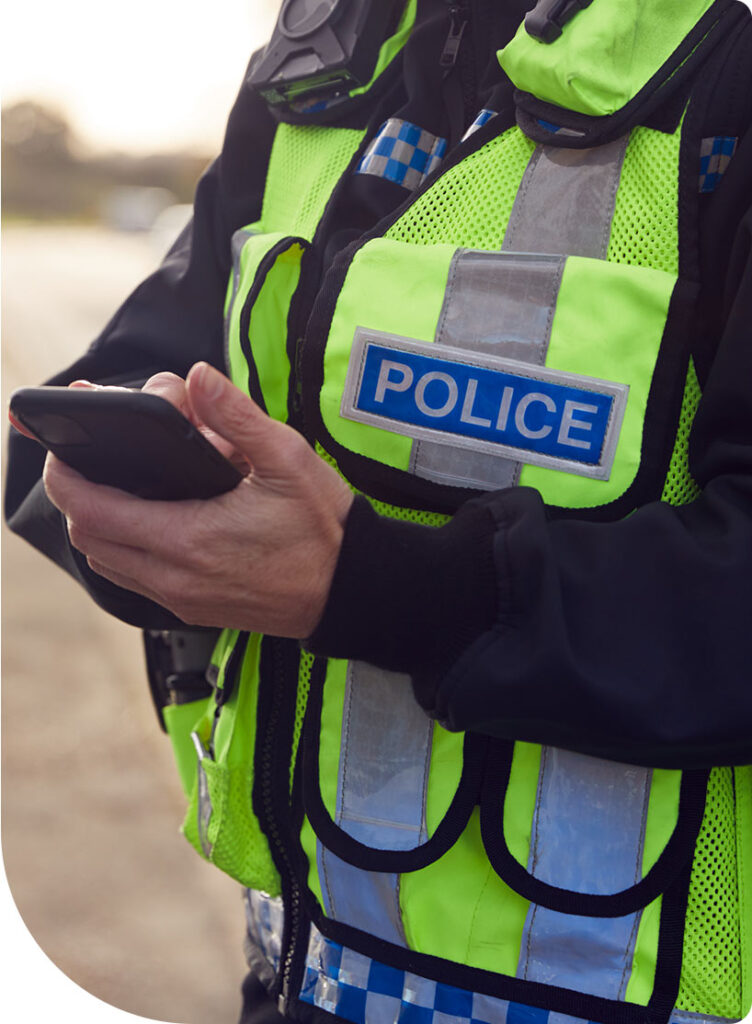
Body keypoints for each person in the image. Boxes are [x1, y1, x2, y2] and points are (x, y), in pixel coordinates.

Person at [6, 0, 752, 1022]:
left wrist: (371, 587)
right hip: (293, 966)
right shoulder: (328, 54)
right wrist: (143, 526)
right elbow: (145, 364)